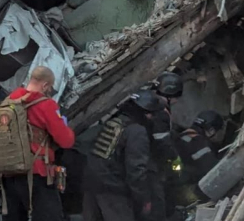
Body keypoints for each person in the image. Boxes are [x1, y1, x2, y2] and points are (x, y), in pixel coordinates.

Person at [2, 66, 75, 221]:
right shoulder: (46, 105)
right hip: (36, 173)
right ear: (45, 85)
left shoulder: (10, 100)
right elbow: (66, 141)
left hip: (9, 171)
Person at [83, 91, 163, 221]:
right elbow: (136, 170)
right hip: (113, 191)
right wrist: (143, 199)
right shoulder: (137, 132)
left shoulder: (114, 122)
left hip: (92, 185)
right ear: (147, 113)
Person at [149, 72, 183, 219]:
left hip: (142, 158)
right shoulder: (160, 112)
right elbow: (161, 141)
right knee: (157, 200)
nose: (176, 101)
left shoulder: (151, 101)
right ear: (171, 95)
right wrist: (175, 158)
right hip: (149, 162)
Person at [174, 110, 224, 197]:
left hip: (172, 184)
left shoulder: (182, 136)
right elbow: (213, 169)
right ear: (211, 130)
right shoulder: (198, 143)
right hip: (183, 190)